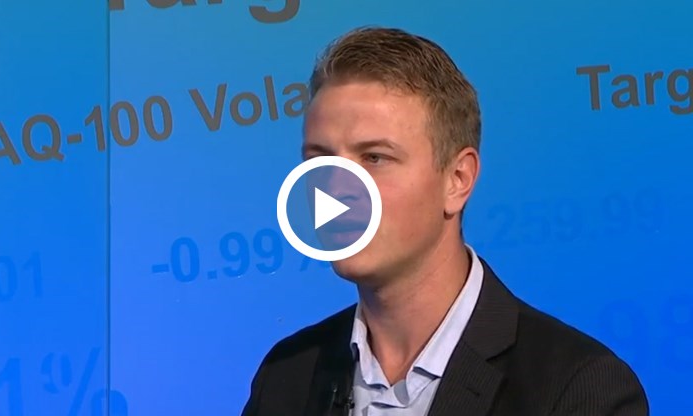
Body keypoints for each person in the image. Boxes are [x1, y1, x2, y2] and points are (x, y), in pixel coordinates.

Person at [241, 27, 649, 415]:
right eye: (320, 160)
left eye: (374, 158)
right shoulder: (287, 376)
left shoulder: (575, 388)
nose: (335, 187)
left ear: (457, 179)